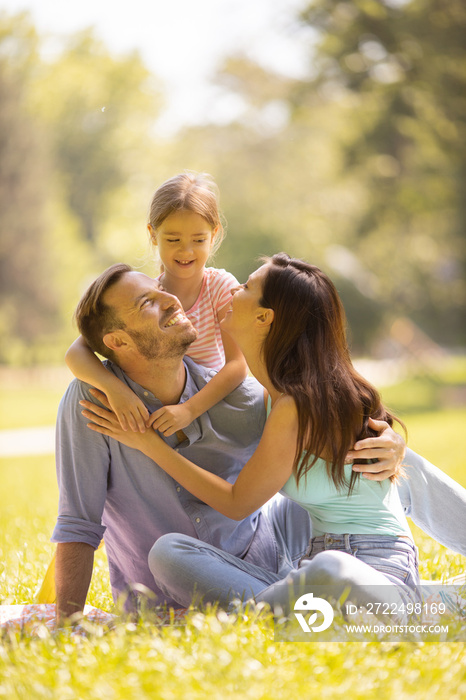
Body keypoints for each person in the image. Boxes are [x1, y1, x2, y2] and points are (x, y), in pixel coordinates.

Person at [55, 262, 466, 623]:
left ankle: (297, 603)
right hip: (223, 571)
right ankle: (315, 601)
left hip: (309, 554)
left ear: (266, 318)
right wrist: (67, 624)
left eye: (247, 288)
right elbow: (83, 343)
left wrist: (391, 444)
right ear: (118, 342)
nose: (172, 299)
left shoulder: (254, 400)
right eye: (147, 301)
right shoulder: (97, 402)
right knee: (169, 553)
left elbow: (243, 498)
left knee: (392, 469)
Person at [65, 172, 248, 437]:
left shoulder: (219, 287)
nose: (186, 252)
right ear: (153, 234)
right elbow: (75, 353)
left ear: (214, 234)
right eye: (173, 240)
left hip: (208, 407)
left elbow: (237, 366)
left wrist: (189, 410)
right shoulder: (146, 297)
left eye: (198, 240)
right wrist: (116, 390)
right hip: (159, 406)